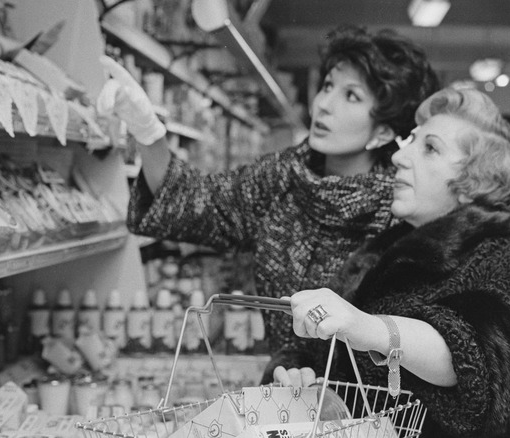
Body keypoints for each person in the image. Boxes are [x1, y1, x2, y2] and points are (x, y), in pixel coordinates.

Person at [97, 25, 439, 355]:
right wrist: (148, 133)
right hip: (284, 384)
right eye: (328, 86)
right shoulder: (281, 178)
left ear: (382, 132)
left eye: (351, 95)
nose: (324, 104)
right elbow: (194, 202)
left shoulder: (401, 209)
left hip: (366, 392)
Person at [273, 88, 510, 437]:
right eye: (410, 140)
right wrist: (305, 377)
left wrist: (369, 328)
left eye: (430, 148)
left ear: (476, 182)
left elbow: (488, 358)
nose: (400, 156)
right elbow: (326, 358)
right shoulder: (381, 254)